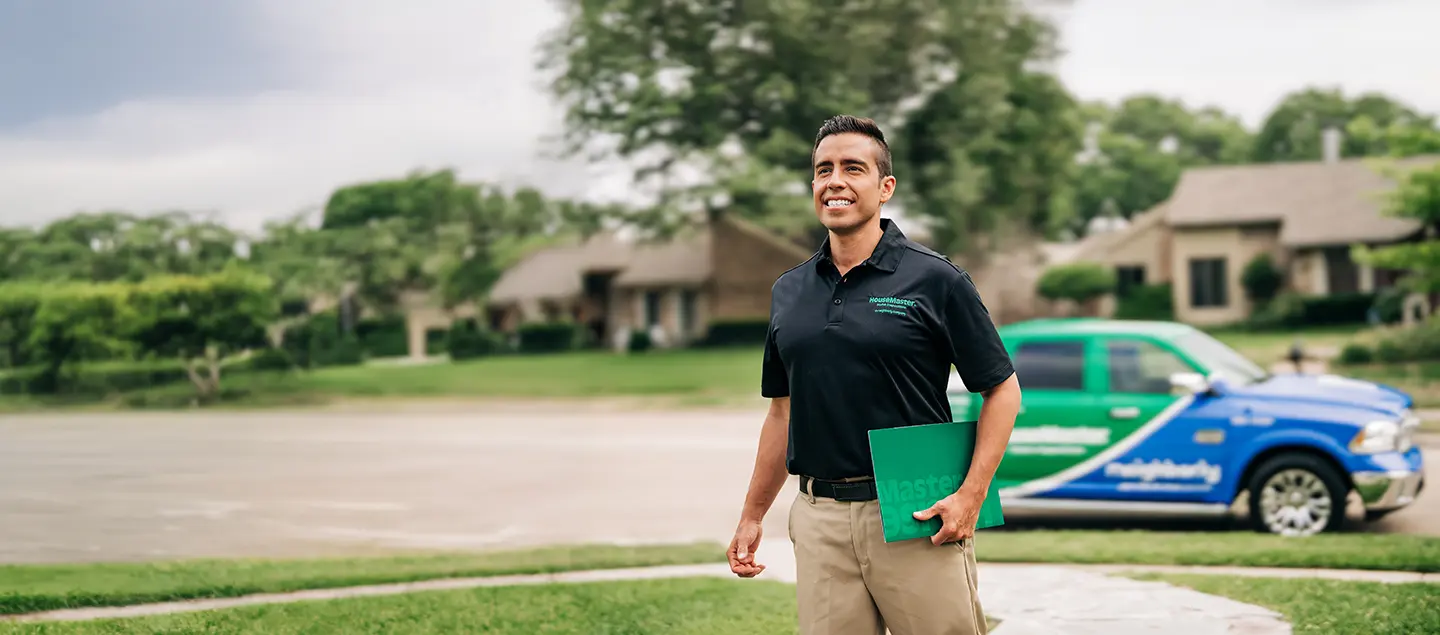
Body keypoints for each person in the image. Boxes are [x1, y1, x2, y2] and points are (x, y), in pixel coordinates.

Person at [726, 115, 1022, 635]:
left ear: (885, 188)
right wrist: (753, 514)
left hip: (915, 509)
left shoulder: (937, 279)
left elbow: (1002, 389)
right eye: (823, 170)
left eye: (852, 168)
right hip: (818, 515)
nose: (834, 181)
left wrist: (971, 495)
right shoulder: (789, 292)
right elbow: (781, 411)